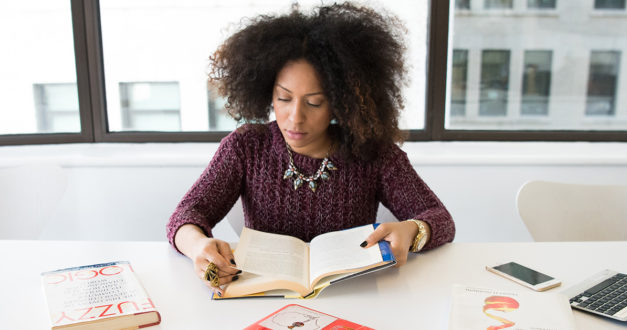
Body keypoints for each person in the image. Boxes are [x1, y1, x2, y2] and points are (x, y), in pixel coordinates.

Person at [166, 2, 455, 297]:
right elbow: (186, 215)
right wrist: (197, 246)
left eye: (314, 102)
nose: (295, 117)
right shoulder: (246, 147)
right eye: (283, 99)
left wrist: (412, 231)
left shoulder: (374, 153)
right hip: (264, 298)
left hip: (352, 297)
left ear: (342, 102)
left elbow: (440, 219)